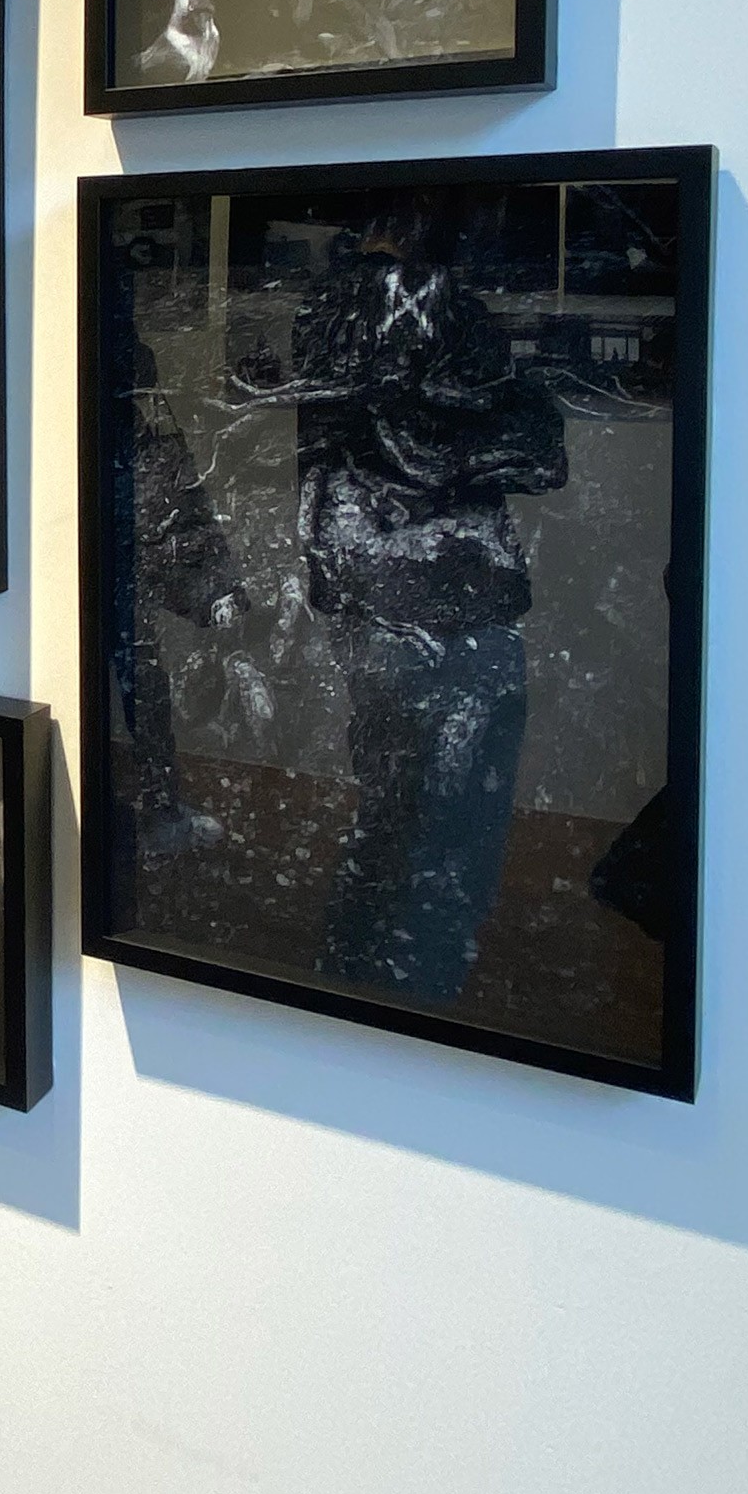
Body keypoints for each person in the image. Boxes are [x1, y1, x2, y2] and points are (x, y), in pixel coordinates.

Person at [248, 204, 567, 1002]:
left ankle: (366, 985)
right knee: (442, 826)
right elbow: (525, 445)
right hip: (427, 599)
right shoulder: (430, 309)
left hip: (389, 596)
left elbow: (518, 445)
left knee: (404, 811)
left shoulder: (334, 313)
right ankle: (406, 998)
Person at [109, 328, 249, 879]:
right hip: (92, 592)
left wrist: (219, 592)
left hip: (129, 595)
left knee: (146, 697)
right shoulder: (133, 450)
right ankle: (148, 812)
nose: (147, 405)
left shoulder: (156, 446)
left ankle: (159, 809)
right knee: (135, 696)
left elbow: (188, 521)